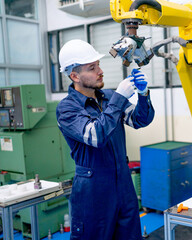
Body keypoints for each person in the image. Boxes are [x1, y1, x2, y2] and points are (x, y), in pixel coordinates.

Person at [56, 39, 155, 240]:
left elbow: (139, 120)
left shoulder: (108, 97)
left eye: (98, 65)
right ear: (74, 76)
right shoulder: (67, 109)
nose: (100, 71)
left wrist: (143, 95)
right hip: (93, 191)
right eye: (92, 68)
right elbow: (95, 135)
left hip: (123, 185)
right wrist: (119, 98)